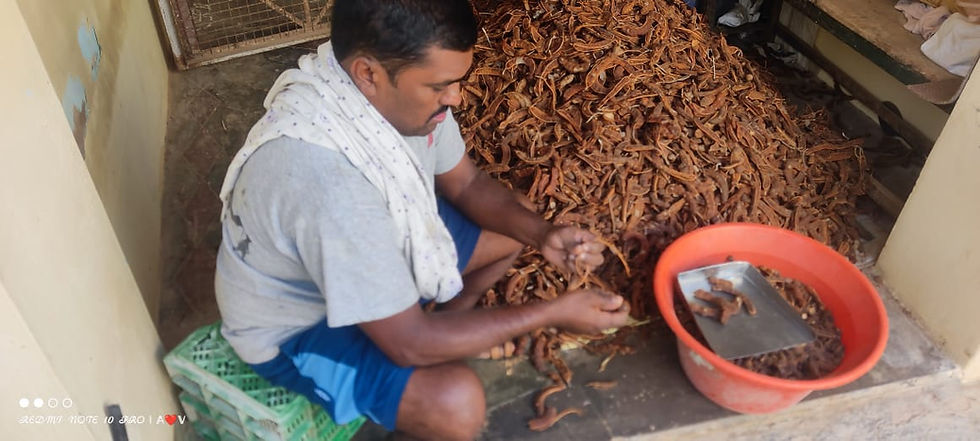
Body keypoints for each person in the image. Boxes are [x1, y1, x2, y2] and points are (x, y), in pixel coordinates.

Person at [214, 1, 630, 439]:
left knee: (517, 220)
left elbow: (466, 185)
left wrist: (544, 236)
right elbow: (407, 343)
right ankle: (433, 345)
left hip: (360, 257)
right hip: (298, 327)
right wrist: (553, 312)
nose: (455, 98)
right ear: (368, 74)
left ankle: (446, 324)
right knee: (455, 404)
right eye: (439, 87)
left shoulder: (391, 96)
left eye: (455, 82)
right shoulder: (331, 187)